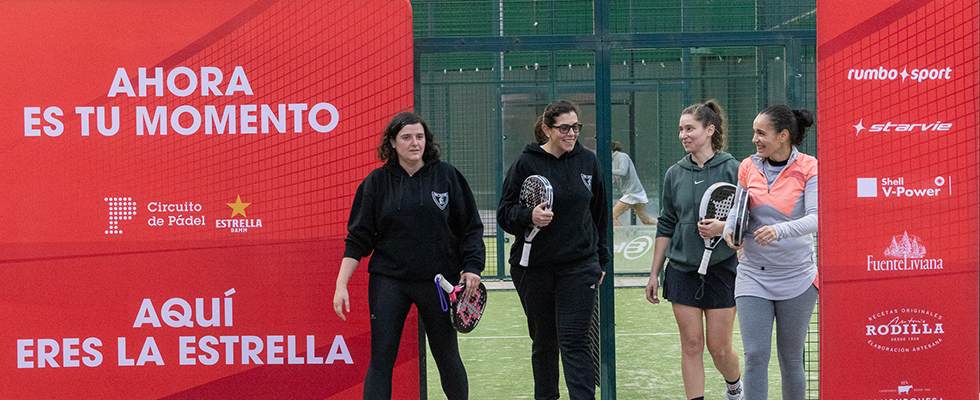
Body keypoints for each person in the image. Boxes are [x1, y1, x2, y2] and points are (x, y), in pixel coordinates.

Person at [333, 112, 485, 400]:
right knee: (381, 359)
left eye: (419, 137)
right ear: (392, 142)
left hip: (438, 284)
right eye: (406, 137)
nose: (414, 143)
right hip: (390, 282)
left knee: (447, 357)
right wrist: (341, 285)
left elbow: (471, 228)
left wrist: (472, 266)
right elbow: (358, 239)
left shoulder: (447, 176)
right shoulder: (376, 183)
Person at [497, 100, 609, 400]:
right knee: (545, 343)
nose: (571, 133)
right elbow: (504, 213)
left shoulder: (588, 162)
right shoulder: (526, 163)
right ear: (547, 129)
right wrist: (528, 216)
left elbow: (599, 214)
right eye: (564, 128)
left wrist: (601, 260)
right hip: (534, 270)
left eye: (576, 127)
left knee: (575, 341)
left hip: (579, 266)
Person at [644, 100, 744, 400]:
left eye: (690, 128)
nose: (683, 135)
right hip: (682, 270)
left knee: (720, 348)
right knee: (690, 345)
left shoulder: (735, 169)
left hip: (722, 269)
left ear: (709, 130)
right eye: (680, 129)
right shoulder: (674, 173)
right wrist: (654, 273)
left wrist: (721, 227)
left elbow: (744, 221)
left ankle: (735, 386)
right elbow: (666, 224)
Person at [723, 105, 818, 400]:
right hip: (752, 276)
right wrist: (730, 231)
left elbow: (816, 218)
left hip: (798, 279)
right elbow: (737, 213)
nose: (755, 139)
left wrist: (779, 230)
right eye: (754, 132)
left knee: (791, 360)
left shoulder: (810, 167)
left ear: (783, 136)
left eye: (761, 133)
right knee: (755, 356)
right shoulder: (747, 167)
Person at [611, 141, 656, 226]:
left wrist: (608, 171)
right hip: (633, 193)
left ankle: (622, 237)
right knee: (646, 220)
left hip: (632, 193)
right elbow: (613, 179)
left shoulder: (622, 156)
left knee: (612, 216)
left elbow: (622, 172)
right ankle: (666, 228)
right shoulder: (613, 161)